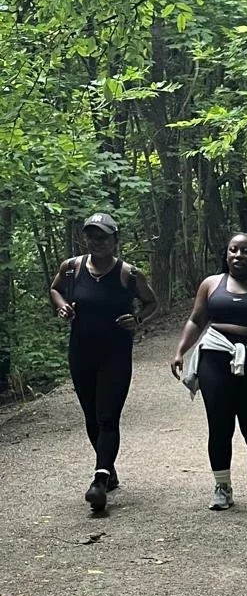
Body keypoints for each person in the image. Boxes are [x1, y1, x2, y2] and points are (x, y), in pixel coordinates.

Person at [49, 212, 159, 515]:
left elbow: (152, 303)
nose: (97, 243)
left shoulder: (129, 274)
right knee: (91, 416)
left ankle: (99, 481)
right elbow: (55, 289)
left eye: (104, 237)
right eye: (92, 237)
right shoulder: (71, 268)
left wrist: (136, 319)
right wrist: (62, 307)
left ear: (115, 241)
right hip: (81, 351)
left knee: (107, 415)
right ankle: (107, 466)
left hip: (115, 353)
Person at [171, 233, 247, 510]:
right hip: (214, 356)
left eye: (246, 251)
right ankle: (222, 486)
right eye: (233, 250)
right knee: (219, 422)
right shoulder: (211, 285)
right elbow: (196, 320)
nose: (238, 255)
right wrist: (180, 351)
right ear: (226, 255)